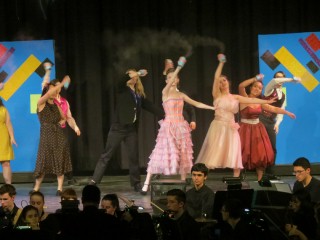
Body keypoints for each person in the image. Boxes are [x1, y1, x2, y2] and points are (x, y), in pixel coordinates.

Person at [141, 57, 215, 194]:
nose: (172, 79)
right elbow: (169, 83)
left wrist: (212, 108)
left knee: (183, 154)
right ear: (166, 80)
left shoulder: (181, 94)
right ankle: (146, 182)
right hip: (168, 126)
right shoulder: (165, 93)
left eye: (174, 77)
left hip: (181, 126)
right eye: (169, 77)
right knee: (159, 153)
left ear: (178, 79)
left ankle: (183, 182)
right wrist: (179, 67)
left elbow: (196, 104)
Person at [195, 54, 276, 177]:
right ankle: (202, 178)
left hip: (231, 128)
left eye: (224, 80)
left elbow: (252, 101)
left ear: (228, 82)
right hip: (218, 127)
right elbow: (216, 77)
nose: (222, 82)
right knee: (213, 155)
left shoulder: (235, 97)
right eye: (220, 82)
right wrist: (221, 63)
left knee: (235, 156)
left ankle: (236, 180)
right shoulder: (217, 95)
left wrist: (266, 101)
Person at [89, 68, 164, 192]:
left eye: (135, 76)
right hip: (118, 128)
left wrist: (165, 114)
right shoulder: (121, 89)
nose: (133, 78)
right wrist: (137, 73)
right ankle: (94, 180)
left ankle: (136, 184)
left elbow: (150, 106)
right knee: (106, 155)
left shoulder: (138, 94)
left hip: (131, 130)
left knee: (133, 157)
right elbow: (122, 79)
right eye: (131, 76)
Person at [238, 76, 296, 180]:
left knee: (260, 155)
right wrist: (255, 78)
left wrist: (287, 112)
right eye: (255, 86)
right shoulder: (244, 98)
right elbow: (241, 86)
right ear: (251, 87)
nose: (257, 89)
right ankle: (237, 179)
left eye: (259, 88)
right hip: (245, 130)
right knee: (241, 154)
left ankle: (260, 181)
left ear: (261, 91)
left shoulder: (261, 102)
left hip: (257, 129)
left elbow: (273, 108)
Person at [31, 76, 72, 196]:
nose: (55, 91)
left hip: (58, 135)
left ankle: (59, 189)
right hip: (46, 135)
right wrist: (63, 83)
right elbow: (49, 93)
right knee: (43, 162)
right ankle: (36, 188)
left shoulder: (56, 105)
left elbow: (63, 117)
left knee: (60, 161)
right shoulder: (41, 103)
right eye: (53, 89)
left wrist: (62, 121)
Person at [42, 62, 81, 186]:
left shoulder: (64, 101)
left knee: (64, 154)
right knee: (46, 156)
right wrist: (48, 70)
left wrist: (75, 127)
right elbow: (44, 84)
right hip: (49, 131)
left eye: (60, 86)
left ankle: (69, 177)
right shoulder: (47, 99)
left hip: (61, 131)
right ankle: (39, 179)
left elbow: (69, 117)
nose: (59, 88)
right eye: (56, 86)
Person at [259, 71, 301, 174]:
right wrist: (292, 79)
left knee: (272, 148)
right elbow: (274, 81)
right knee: (260, 146)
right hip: (261, 119)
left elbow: (281, 111)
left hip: (270, 122)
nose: (279, 80)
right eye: (278, 77)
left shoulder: (283, 95)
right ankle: (259, 172)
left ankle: (270, 173)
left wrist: (277, 124)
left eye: (281, 78)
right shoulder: (269, 89)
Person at [0, 97, 17, 184]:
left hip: (3, 139)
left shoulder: (3, 110)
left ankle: (9, 186)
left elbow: (8, 123)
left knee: (6, 163)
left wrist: (12, 137)